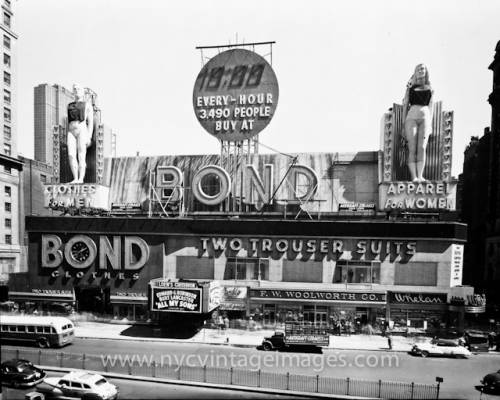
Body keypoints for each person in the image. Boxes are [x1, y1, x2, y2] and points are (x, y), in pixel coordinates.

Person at [402, 64, 433, 182]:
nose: (421, 70)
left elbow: (431, 106)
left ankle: (420, 175)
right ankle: (414, 176)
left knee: (422, 147)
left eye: (423, 68)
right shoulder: (410, 88)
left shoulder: (430, 88)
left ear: (426, 71)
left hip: (425, 117)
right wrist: (403, 124)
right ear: (415, 71)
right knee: (412, 148)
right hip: (411, 117)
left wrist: (430, 124)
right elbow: (405, 105)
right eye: (419, 69)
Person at [67, 84, 94, 183]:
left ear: (82, 92)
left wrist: (89, 136)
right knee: (71, 154)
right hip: (71, 130)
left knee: (81, 155)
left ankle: (80, 178)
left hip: (81, 129)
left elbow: (90, 122)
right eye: (74, 89)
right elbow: (68, 120)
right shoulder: (69, 105)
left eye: (78, 89)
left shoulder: (87, 105)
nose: (76, 90)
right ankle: (75, 177)